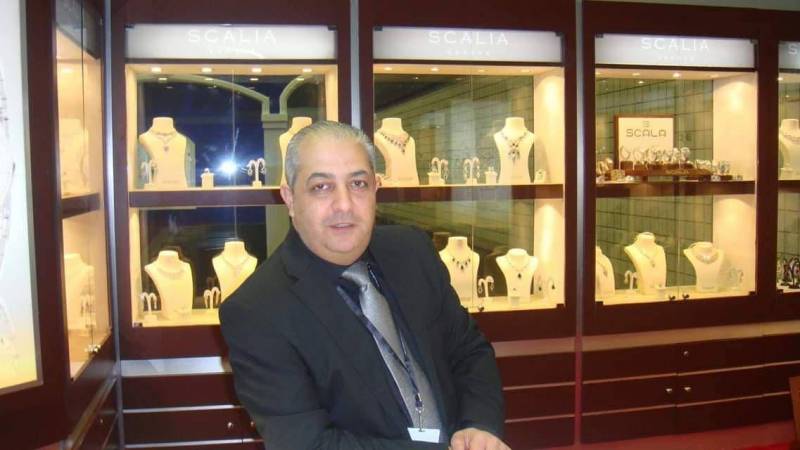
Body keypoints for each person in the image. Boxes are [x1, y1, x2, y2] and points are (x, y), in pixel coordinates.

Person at [220, 121, 509, 450]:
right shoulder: (257, 311)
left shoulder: (413, 251)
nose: (344, 204)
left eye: (358, 183)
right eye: (321, 187)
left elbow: (468, 352)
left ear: (376, 189)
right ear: (290, 198)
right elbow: (309, 443)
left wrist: (479, 426)